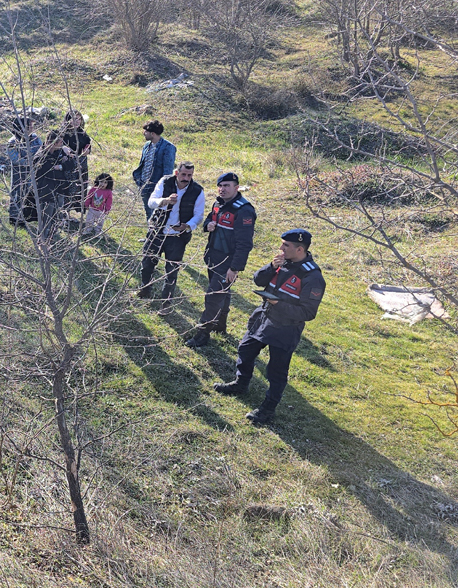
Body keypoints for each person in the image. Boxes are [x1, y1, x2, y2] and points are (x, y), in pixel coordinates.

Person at [213, 229, 325, 425]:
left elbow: (308, 313)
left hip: (285, 329)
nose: (280, 248)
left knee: (276, 370)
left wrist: (278, 304)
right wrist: (271, 267)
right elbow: (258, 280)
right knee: (245, 350)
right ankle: (241, 384)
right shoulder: (281, 263)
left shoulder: (313, 277)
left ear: (300, 249)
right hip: (263, 318)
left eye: (285, 246)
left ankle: (268, 409)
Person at [186, 173, 256, 347]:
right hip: (213, 257)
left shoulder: (244, 210)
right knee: (222, 293)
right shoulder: (218, 204)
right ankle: (220, 325)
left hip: (227, 262)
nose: (223, 189)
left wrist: (235, 268)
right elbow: (210, 218)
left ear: (236, 187)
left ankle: (202, 334)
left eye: (227, 185)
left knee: (213, 296)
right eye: (221, 185)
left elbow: (244, 244)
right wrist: (207, 225)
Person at [139, 161, 205, 313]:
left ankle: (166, 303)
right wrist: (166, 201)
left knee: (172, 271)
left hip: (177, 236)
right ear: (177, 173)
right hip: (157, 230)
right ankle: (144, 290)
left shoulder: (197, 190)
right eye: (183, 174)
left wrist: (187, 226)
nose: (186, 178)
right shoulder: (165, 182)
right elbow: (151, 202)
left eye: (189, 175)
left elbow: (199, 215)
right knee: (147, 263)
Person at [131, 119, 176, 218]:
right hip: (144, 185)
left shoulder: (168, 147)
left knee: (157, 214)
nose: (144, 133)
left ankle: (156, 233)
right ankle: (151, 232)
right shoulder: (147, 146)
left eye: (146, 131)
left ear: (153, 133)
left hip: (156, 186)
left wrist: (164, 187)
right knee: (148, 212)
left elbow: (168, 171)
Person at [32, 130, 69, 237]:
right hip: (46, 190)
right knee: (46, 216)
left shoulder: (60, 151)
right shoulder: (41, 157)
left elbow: (72, 164)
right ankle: (43, 237)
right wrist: (61, 165)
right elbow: (48, 173)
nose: (62, 144)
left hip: (59, 188)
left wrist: (61, 166)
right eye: (60, 142)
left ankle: (52, 234)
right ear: (52, 143)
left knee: (56, 213)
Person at [7, 115, 42, 227]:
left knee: (30, 193)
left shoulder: (35, 139)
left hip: (33, 173)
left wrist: (37, 160)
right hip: (19, 173)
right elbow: (14, 157)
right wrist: (29, 162)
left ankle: (28, 216)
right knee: (18, 194)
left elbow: (41, 150)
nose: (32, 128)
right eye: (29, 126)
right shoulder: (13, 141)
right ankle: (14, 217)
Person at [60, 109, 92, 213]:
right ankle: (64, 213)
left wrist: (87, 150)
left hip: (81, 164)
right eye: (74, 119)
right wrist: (63, 148)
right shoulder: (62, 133)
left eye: (79, 119)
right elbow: (54, 145)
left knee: (79, 188)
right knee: (68, 189)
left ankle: (74, 211)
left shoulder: (82, 133)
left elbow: (88, 146)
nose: (77, 121)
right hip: (67, 165)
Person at [81, 173, 114, 237]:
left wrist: (107, 209)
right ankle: (88, 229)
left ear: (108, 184)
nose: (102, 184)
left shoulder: (108, 192)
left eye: (105, 182)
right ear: (98, 181)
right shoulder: (94, 189)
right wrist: (86, 204)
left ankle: (98, 231)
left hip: (101, 211)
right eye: (101, 181)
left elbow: (109, 202)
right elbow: (89, 197)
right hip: (92, 209)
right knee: (89, 220)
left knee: (100, 222)